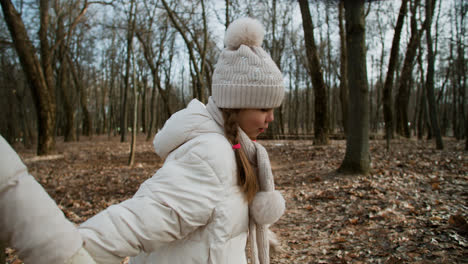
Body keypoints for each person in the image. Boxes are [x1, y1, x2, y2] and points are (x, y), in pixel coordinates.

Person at [0, 17, 285, 264]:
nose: (270, 119)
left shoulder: (237, 149)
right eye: (263, 109)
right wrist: (74, 252)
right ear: (235, 104)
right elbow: (144, 218)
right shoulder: (212, 154)